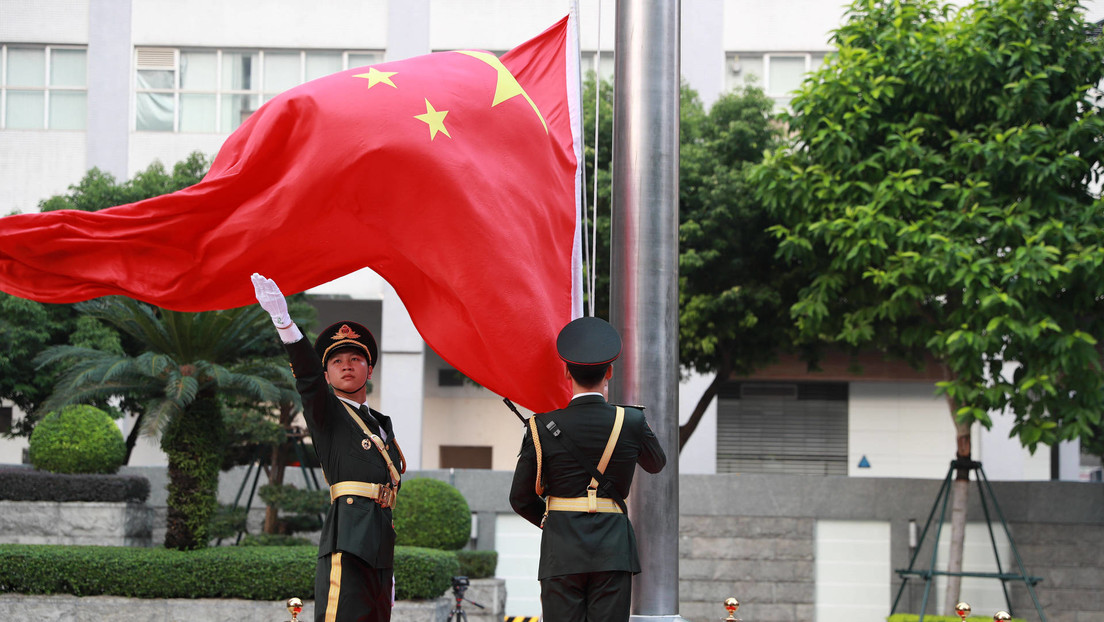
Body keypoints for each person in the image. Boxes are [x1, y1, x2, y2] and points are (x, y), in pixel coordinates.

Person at [252, 273, 404, 622]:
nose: (346, 365)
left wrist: (388, 567)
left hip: (379, 551)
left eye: (355, 359)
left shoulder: (381, 425)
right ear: (327, 375)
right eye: (336, 361)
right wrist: (285, 324)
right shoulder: (327, 415)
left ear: (369, 370)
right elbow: (306, 378)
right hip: (347, 544)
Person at [509, 316, 667, 622]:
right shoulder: (631, 421)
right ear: (609, 371)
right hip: (613, 549)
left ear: (566, 372)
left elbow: (520, 498)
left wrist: (552, 521)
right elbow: (656, 463)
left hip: (561, 548)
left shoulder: (541, 426)